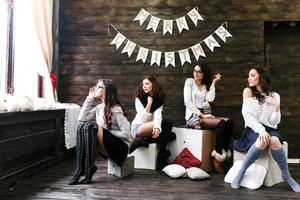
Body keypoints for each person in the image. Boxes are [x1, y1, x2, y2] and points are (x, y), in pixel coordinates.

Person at [231, 66, 300, 192]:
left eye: (252, 75)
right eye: (249, 75)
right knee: (263, 140)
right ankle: (241, 172)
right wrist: (261, 130)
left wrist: (276, 106)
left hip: (271, 128)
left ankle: (286, 175)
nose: (249, 78)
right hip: (253, 128)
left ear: (260, 77)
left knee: (274, 140)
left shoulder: (275, 96)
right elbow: (248, 117)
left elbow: (275, 122)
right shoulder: (248, 91)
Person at [69, 79, 131, 185]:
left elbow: (126, 134)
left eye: (99, 87)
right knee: (81, 126)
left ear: (107, 91)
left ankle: (88, 168)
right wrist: (90, 98)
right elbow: (81, 118)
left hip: (120, 149)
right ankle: (81, 169)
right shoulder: (99, 108)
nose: (95, 88)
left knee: (91, 126)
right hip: (107, 146)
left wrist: (105, 131)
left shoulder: (116, 109)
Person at [183, 63, 234, 173]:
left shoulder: (204, 87)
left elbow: (210, 99)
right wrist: (202, 114)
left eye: (199, 72)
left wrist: (214, 83)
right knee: (222, 124)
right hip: (194, 115)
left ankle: (222, 151)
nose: (196, 73)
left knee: (229, 122)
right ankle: (217, 157)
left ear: (204, 74)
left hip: (204, 114)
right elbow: (187, 101)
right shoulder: (189, 82)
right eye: (195, 71)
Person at [129, 76, 175, 169]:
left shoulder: (158, 100)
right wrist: (149, 103)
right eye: (143, 84)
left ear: (153, 85)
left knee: (168, 123)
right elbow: (143, 119)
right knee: (169, 134)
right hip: (138, 127)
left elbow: (158, 116)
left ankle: (159, 153)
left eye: (147, 83)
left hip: (150, 127)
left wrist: (157, 128)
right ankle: (161, 157)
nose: (144, 86)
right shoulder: (139, 98)